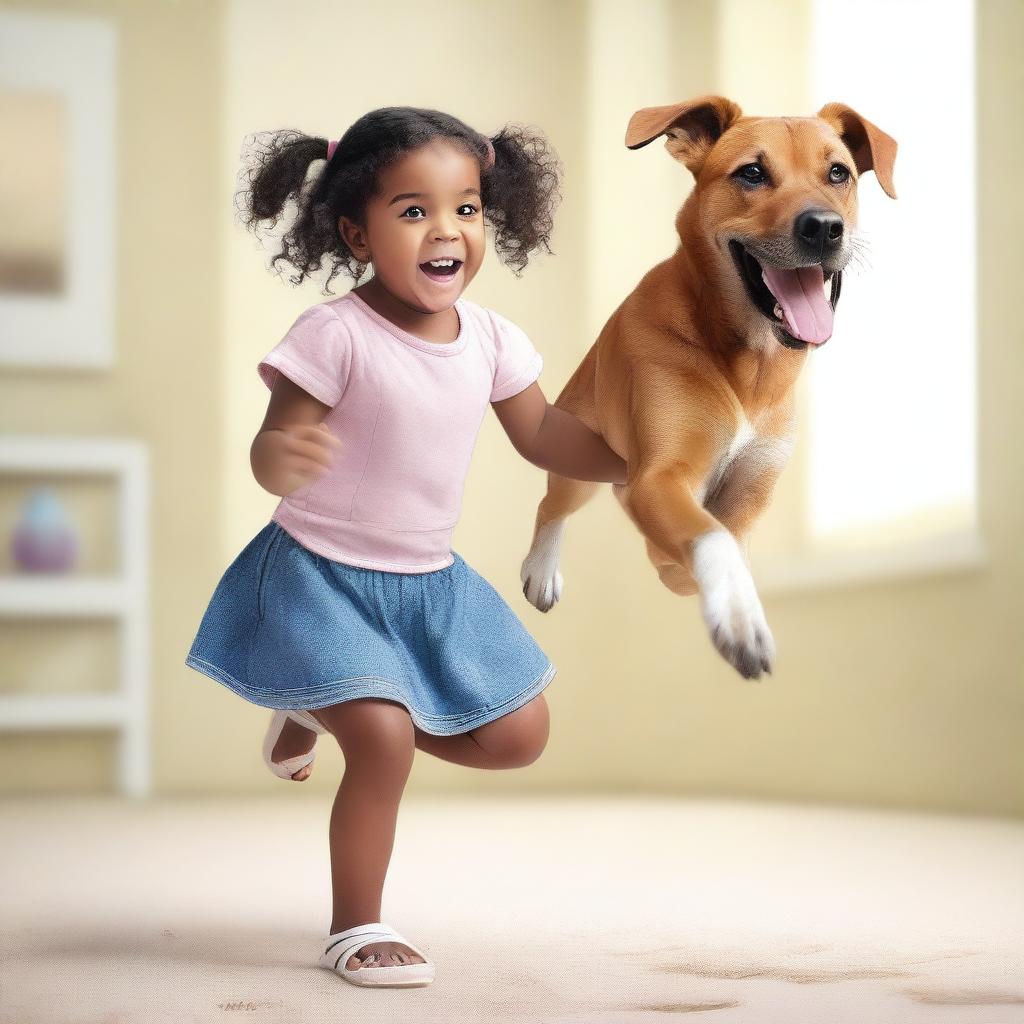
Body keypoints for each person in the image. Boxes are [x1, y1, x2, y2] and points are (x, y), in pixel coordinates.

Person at [185, 106, 626, 988]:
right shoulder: (335, 334)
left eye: (466, 208)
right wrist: (282, 456)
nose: (448, 231)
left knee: (519, 736)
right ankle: (357, 924)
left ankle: (315, 706)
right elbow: (274, 449)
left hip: (428, 580)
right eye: (414, 210)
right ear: (356, 229)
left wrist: (634, 459)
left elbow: (543, 438)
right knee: (383, 742)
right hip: (319, 575)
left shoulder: (493, 340)